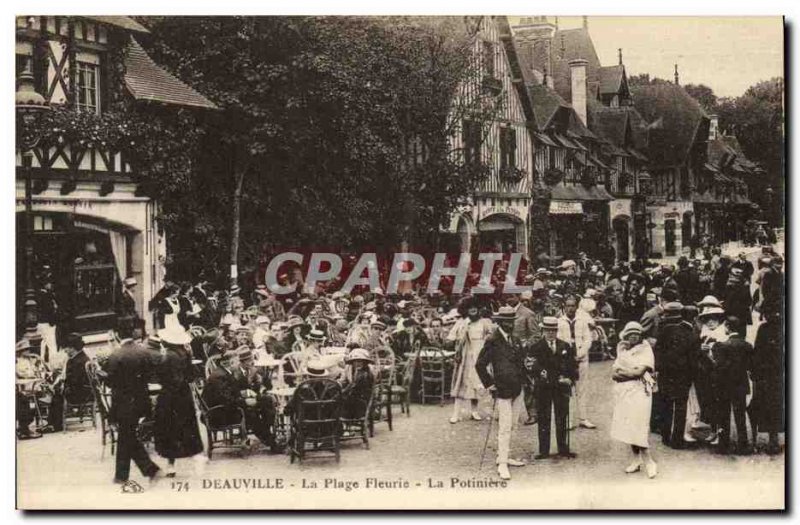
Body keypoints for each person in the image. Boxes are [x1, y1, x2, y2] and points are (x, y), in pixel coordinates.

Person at [104, 321, 163, 487]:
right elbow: (152, 374)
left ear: (117, 335)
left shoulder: (116, 355)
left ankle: (148, 470)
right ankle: (125, 475)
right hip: (142, 401)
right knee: (127, 436)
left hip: (123, 404)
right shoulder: (144, 352)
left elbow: (110, 382)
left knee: (126, 436)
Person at [475, 306, 528, 480]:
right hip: (503, 389)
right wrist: (490, 385)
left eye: (511, 321)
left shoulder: (515, 339)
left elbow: (520, 363)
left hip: (517, 387)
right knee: (505, 426)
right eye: (506, 321)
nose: (509, 324)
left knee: (513, 425)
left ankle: (504, 456)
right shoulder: (493, 340)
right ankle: (503, 463)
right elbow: (480, 365)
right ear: (499, 322)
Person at [153, 329, 206, 478]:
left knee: (168, 429)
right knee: (187, 427)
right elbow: (191, 376)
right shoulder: (185, 353)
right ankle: (196, 456)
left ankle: (171, 465)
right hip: (184, 395)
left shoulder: (167, 356)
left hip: (170, 396)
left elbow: (161, 377)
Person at [610, 322, 658, 478]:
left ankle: (649, 462)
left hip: (641, 391)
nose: (633, 336)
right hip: (624, 392)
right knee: (629, 425)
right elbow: (614, 374)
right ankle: (636, 460)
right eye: (630, 334)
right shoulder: (623, 350)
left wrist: (625, 372)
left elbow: (639, 372)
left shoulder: (645, 349)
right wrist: (627, 372)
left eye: (636, 333)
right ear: (626, 336)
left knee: (639, 425)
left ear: (640, 335)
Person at [527, 316, 578, 460]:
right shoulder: (536, 347)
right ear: (543, 331)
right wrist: (541, 374)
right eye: (548, 330)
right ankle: (544, 451)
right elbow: (532, 367)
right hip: (544, 388)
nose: (551, 333)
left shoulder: (565, 346)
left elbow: (572, 366)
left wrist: (570, 378)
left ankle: (563, 449)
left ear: (557, 331)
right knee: (544, 418)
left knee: (562, 417)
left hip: (561, 388)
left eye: (553, 330)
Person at [653, 302, 697, 449]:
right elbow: (694, 360)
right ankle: (677, 440)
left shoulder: (667, 330)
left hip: (665, 374)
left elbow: (657, 350)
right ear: (695, 319)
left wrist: (659, 368)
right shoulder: (693, 336)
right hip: (682, 376)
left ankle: (666, 436)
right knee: (680, 407)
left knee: (665, 404)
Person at [710, 316, 752, 455]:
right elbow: (750, 366)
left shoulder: (723, 346)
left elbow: (719, 367)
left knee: (724, 414)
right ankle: (743, 445)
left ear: (727, 327)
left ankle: (723, 445)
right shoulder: (747, 345)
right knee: (740, 415)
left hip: (725, 385)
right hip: (740, 384)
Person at [447, 298, 493, 424]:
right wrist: (460, 337)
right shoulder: (462, 322)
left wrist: (488, 337)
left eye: (475, 307)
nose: (472, 310)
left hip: (480, 355)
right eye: (469, 307)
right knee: (462, 383)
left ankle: (474, 411)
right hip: (466, 355)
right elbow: (451, 337)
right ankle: (456, 413)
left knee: (477, 383)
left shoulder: (484, 322)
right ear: (466, 309)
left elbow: (491, 335)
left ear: (478, 308)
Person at [749, 307, 784, 455]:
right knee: (775, 406)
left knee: (759, 405)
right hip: (777, 375)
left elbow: (757, 351)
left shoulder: (763, 329)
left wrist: (754, 372)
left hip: (765, 375)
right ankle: (773, 440)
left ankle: (756, 440)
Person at [557, 295, 596, 429]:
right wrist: (567, 357)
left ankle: (583, 418)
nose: (570, 308)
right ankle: (569, 420)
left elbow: (588, 340)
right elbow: (559, 341)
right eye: (567, 306)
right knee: (568, 389)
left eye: (572, 306)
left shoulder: (582, 321)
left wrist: (580, 354)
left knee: (582, 388)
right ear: (564, 307)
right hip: (567, 360)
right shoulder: (560, 322)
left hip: (581, 358)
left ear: (576, 306)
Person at [47, 333, 92, 432]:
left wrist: (61, 386)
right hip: (87, 392)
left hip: (79, 394)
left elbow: (74, 381)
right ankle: (53, 423)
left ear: (72, 348)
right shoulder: (84, 357)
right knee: (57, 392)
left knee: (57, 395)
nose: (65, 351)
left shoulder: (74, 362)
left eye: (66, 348)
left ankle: (54, 425)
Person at [16, 339, 43, 440]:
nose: (28, 352)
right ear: (21, 351)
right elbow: (23, 374)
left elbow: (35, 371)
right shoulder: (17, 361)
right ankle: (24, 428)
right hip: (25, 385)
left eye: (28, 349)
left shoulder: (29, 361)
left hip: (32, 383)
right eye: (25, 350)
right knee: (26, 401)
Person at [339, 348, 376, 420]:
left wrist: (346, 390)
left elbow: (359, 385)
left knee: (350, 397)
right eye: (355, 361)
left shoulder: (367, 371)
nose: (357, 363)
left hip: (363, 395)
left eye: (360, 361)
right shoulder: (348, 368)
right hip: (351, 393)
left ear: (364, 362)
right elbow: (342, 380)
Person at [722, 268, 752, 338]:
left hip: (731, 314)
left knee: (731, 333)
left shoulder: (728, 286)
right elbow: (749, 301)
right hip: (742, 315)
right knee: (742, 334)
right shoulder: (745, 287)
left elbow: (726, 300)